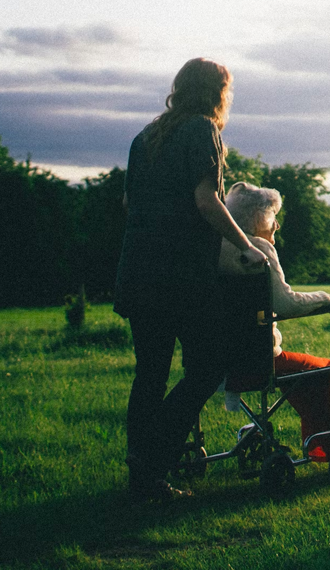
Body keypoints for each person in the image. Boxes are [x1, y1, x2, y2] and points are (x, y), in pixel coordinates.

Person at [113, 58, 266, 501]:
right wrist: (246, 245)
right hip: (179, 277)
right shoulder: (202, 131)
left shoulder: (146, 137)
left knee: (151, 375)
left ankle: (142, 477)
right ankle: (152, 460)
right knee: (207, 368)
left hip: (137, 271)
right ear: (217, 92)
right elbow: (207, 200)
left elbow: (130, 202)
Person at [217, 181, 330, 465]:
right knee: (327, 370)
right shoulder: (259, 250)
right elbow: (285, 304)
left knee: (305, 375)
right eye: (273, 217)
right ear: (258, 219)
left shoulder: (218, 249)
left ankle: (326, 448)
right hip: (258, 360)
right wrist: (326, 299)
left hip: (221, 360)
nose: (276, 225)